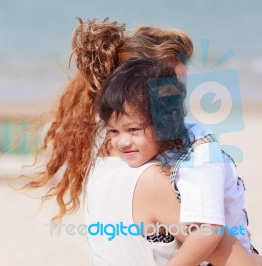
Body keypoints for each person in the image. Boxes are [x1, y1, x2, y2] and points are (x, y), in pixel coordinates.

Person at [25, 18, 261, 264]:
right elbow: (227, 251)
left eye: (181, 91)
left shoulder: (103, 147)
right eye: (167, 92)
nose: (178, 106)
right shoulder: (154, 174)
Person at [96, 57, 261, 265]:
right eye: (113, 131)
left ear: (164, 121)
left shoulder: (198, 157)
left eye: (133, 130)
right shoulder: (156, 146)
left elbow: (210, 231)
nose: (122, 142)